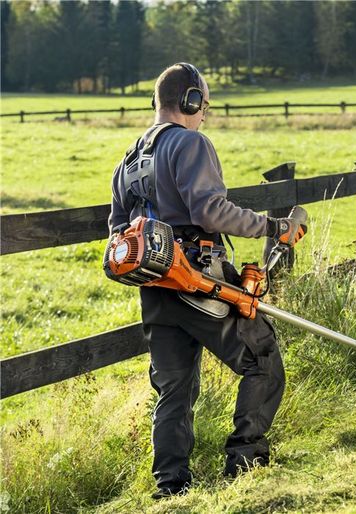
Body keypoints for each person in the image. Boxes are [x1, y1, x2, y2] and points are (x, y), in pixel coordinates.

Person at [108, 63, 306, 500]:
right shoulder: (190, 143)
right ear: (191, 100)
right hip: (200, 279)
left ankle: (171, 487)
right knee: (262, 358)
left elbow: (116, 235)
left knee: (173, 389)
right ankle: (245, 460)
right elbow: (210, 212)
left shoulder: (128, 161)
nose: (205, 115)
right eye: (204, 105)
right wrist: (271, 226)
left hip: (154, 291)